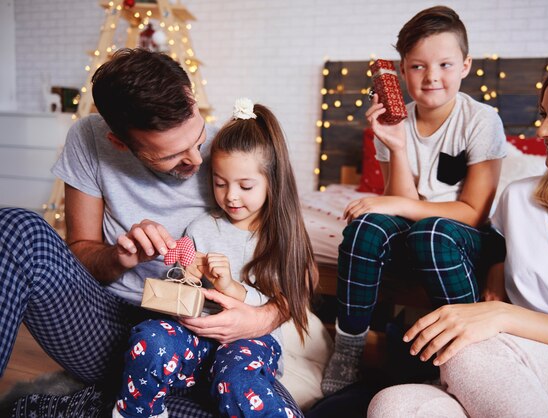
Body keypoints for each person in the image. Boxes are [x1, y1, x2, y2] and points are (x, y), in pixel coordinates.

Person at [0, 49, 301, 417]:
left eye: (198, 138)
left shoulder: (233, 150)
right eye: (173, 156)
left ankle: (70, 407)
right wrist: (120, 256)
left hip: (207, 339)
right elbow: (80, 252)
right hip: (108, 324)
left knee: (264, 407)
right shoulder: (90, 140)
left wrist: (260, 318)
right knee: (14, 227)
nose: (197, 161)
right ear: (121, 144)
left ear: (191, 97)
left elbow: (297, 265)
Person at [368, 56, 548, 417]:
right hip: (507, 363)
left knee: (470, 350)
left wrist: (500, 316)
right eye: (543, 114)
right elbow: (496, 250)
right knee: (393, 405)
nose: (542, 131)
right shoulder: (519, 199)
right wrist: (494, 274)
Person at [322, 6, 506, 395]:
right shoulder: (395, 119)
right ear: (402, 70)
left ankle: (470, 353)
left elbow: (473, 213)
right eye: (418, 66)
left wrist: (394, 205)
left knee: (431, 232)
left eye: (444, 64)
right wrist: (395, 146)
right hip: (417, 230)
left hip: (464, 239)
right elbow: (400, 202)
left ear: (466, 65)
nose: (432, 77)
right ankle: (349, 348)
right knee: (366, 226)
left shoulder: (482, 120)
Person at [113, 99, 317, 418]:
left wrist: (233, 289)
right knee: (149, 336)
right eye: (220, 183)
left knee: (239, 381)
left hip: (250, 341)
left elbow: (285, 297)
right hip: (195, 336)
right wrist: (188, 277)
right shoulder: (201, 228)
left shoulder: (281, 237)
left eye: (245, 186)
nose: (231, 196)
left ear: (272, 182)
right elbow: (175, 291)